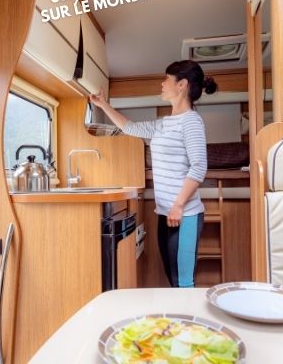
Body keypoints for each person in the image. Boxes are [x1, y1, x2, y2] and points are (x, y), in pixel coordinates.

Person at [89, 60, 217, 287]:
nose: (162, 84)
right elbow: (129, 127)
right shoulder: (162, 124)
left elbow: (199, 167)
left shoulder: (191, 122)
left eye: (167, 79)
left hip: (184, 214)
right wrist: (103, 105)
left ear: (182, 85)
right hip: (166, 213)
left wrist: (178, 206)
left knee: (183, 283)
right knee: (172, 278)